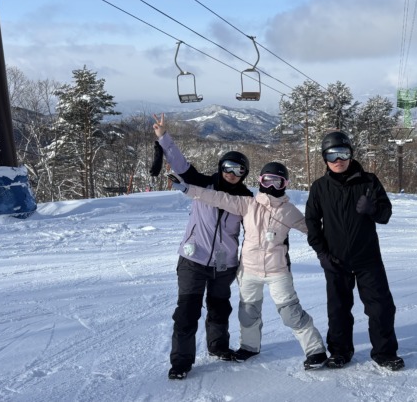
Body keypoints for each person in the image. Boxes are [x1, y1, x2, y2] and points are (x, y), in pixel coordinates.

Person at [170, 162, 328, 371]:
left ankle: (315, 350)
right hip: (249, 270)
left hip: (277, 271)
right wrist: (187, 189)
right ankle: (249, 347)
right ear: (260, 181)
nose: (271, 186)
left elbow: (314, 229)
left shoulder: (289, 211)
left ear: (285, 184)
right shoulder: (248, 204)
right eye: (267, 180)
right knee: (247, 313)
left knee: (290, 312)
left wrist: (338, 239)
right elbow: (216, 197)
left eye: (277, 182)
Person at [152, 113, 253, 380]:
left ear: (245, 174)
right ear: (221, 167)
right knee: (187, 311)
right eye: (229, 167)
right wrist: (163, 138)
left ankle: (218, 347)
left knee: (219, 308)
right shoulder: (203, 184)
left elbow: (253, 231)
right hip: (193, 259)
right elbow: (181, 165)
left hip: (224, 263)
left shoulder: (246, 198)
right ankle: (181, 362)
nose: (232, 174)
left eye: (239, 170)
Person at [304, 131, 405, 371]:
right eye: (332, 155)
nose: (338, 160)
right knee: (338, 309)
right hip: (335, 259)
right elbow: (312, 222)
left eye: (343, 153)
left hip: (367, 258)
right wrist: (322, 254)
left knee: (381, 307)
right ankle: (340, 351)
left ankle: (384, 353)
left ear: (351, 154)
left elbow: (385, 215)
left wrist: (372, 209)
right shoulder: (319, 187)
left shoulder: (369, 181)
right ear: (325, 158)